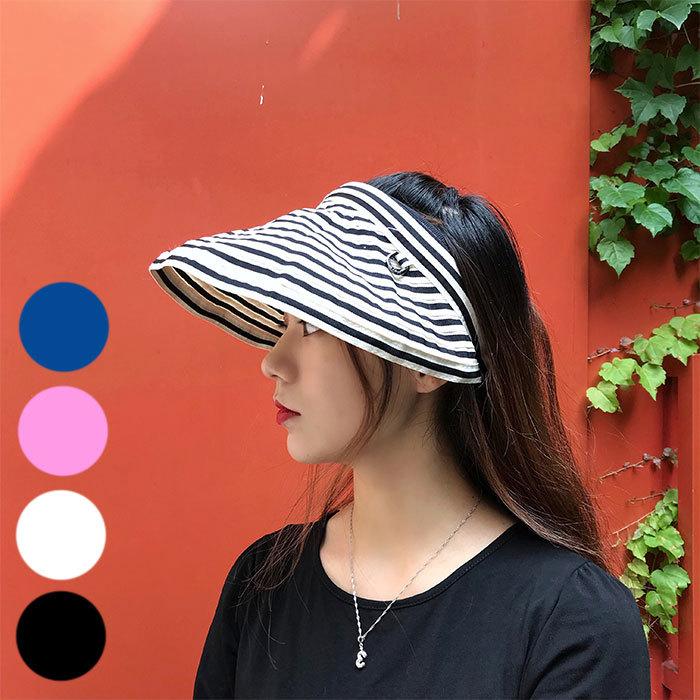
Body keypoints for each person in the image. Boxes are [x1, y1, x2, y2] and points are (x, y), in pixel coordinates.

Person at [148, 171, 652, 699]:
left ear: (425, 363)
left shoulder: (571, 623)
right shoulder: (263, 586)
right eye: (286, 324)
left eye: (314, 325)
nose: (273, 362)